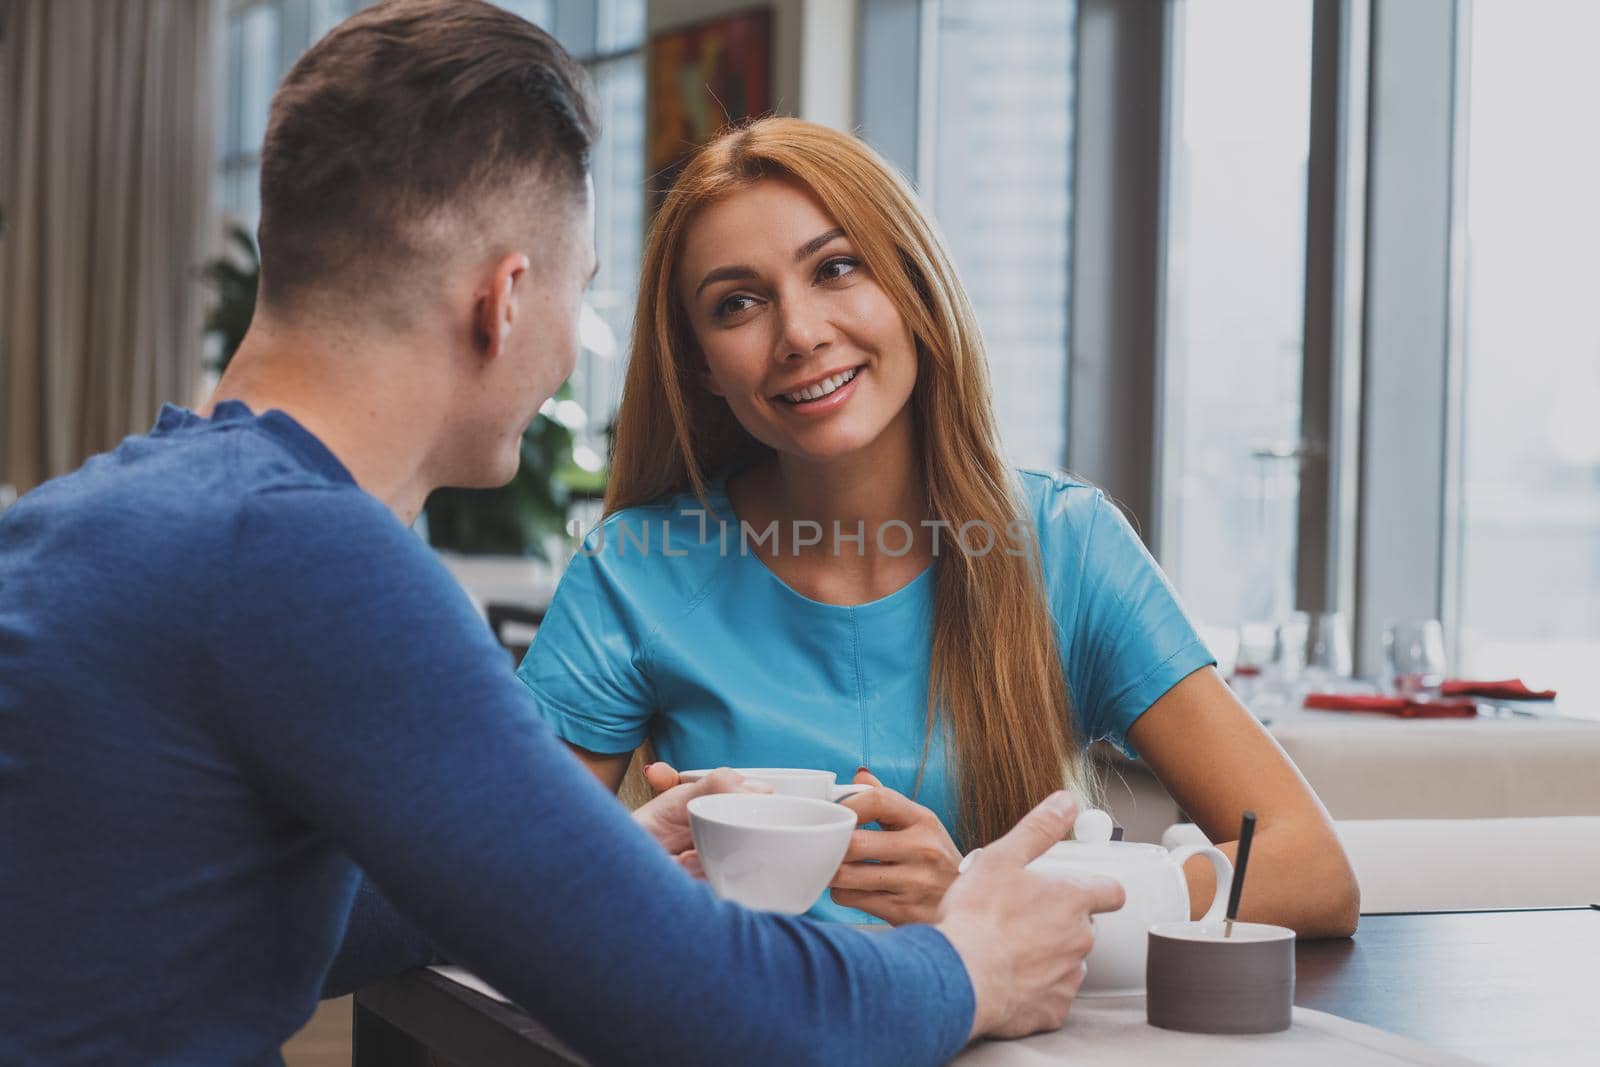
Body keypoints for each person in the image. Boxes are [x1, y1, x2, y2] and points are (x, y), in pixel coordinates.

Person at [0, 3, 1127, 1064]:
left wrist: (580, 879)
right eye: (578, 295)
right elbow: (713, 1010)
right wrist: (966, 963)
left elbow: (196, 910)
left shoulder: (86, 517)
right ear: (503, 301)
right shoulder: (307, 560)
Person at [517, 117, 1361, 935]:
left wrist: (982, 893)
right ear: (700, 363)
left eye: (838, 268)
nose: (802, 333)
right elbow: (493, 873)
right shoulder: (637, 567)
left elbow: (1310, 867)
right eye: (738, 304)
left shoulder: (1066, 545)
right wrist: (626, 875)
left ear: (914, 285)